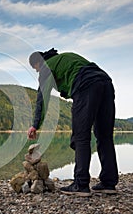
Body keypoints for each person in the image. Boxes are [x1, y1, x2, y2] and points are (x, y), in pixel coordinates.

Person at [27, 48, 118, 197]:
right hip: (105, 82)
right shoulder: (65, 57)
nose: (37, 72)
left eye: (35, 69)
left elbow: (42, 97)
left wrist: (35, 124)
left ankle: (80, 184)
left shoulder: (46, 66)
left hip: (85, 85)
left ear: (37, 63)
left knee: (81, 137)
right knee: (104, 136)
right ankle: (108, 183)